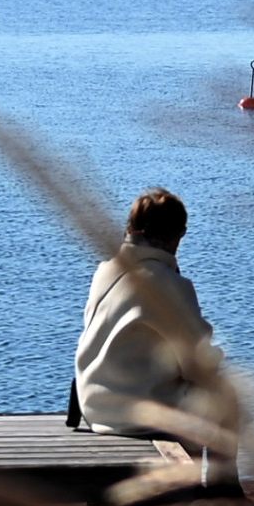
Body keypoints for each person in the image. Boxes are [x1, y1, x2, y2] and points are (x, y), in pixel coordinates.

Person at [74, 189, 237, 479]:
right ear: (177, 234)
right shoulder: (168, 284)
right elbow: (197, 364)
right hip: (141, 413)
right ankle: (222, 490)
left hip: (94, 406)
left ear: (130, 229)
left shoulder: (105, 271)